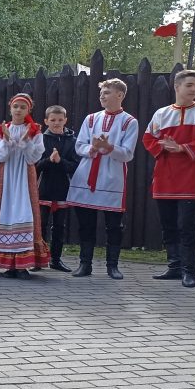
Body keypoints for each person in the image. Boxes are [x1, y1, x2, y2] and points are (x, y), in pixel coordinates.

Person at [143, 69, 195, 288]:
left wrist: (182, 147)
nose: (193, 89)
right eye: (189, 85)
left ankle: (189, 271)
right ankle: (174, 267)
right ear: (177, 86)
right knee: (168, 223)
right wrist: (163, 147)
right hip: (164, 175)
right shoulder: (162, 113)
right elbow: (148, 137)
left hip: (189, 175)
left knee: (186, 224)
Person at [66, 81, 138, 280]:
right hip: (86, 174)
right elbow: (79, 145)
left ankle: (112, 266)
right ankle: (85, 264)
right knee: (85, 224)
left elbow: (128, 154)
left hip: (111, 177)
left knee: (114, 225)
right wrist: (91, 149)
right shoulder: (91, 119)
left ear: (120, 95)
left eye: (107, 93)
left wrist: (109, 147)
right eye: (101, 93)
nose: (102, 96)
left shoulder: (129, 122)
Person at [0, 93, 49, 277]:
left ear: (28, 110)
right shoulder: (2, 130)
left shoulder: (35, 130)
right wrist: (8, 139)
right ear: (10, 108)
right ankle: (9, 264)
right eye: (15, 106)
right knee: (6, 213)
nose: (18, 110)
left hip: (25, 177)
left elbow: (34, 157)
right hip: (8, 176)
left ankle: (23, 264)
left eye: (22, 107)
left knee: (25, 212)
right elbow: (1, 157)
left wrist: (26, 140)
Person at [36, 105, 80, 273]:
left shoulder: (72, 140)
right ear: (46, 121)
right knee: (41, 225)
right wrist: (49, 160)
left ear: (66, 120)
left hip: (63, 189)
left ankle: (56, 259)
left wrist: (60, 161)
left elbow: (75, 166)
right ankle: (39, 259)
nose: (56, 123)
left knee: (59, 227)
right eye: (52, 120)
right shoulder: (40, 139)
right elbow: (36, 166)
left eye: (60, 120)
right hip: (44, 188)